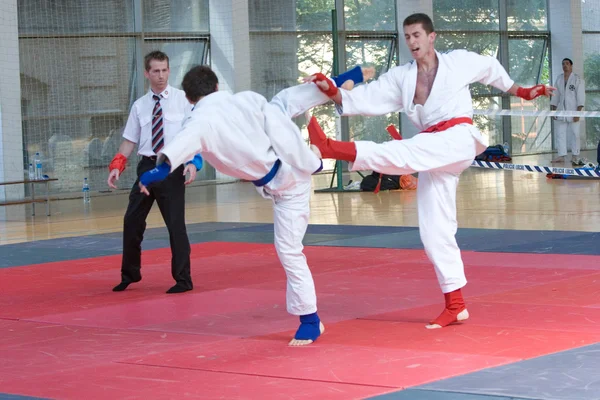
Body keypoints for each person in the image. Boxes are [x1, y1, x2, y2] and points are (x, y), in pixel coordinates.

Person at [306, 13, 555, 329]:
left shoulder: (457, 62)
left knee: (405, 153)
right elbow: (365, 98)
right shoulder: (402, 77)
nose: (411, 41)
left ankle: (329, 148)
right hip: (434, 150)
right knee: (433, 228)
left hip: (458, 138)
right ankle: (456, 304)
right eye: (407, 36)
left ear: (431, 36)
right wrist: (331, 90)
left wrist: (520, 91)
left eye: (416, 35)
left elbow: (490, 68)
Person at [137, 65, 372, 346]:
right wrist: (348, 79)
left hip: (290, 183)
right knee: (284, 102)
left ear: (188, 99)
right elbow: (203, 149)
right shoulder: (245, 99)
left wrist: (149, 175)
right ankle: (341, 89)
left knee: (289, 250)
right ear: (216, 87)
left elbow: (170, 160)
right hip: (282, 168)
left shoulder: (197, 123)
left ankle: (310, 320)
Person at [107, 50, 203, 294]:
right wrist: (117, 165)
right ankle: (130, 275)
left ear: (169, 71)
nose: (160, 76)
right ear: (147, 73)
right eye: (156, 71)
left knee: (175, 225)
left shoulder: (184, 100)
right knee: (131, 220)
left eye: (164, 70)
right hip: (147, 167)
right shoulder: (139, 106)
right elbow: (129, 141)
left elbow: (196, 134)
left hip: (173, 166)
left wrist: (194, 162)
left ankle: (183, 279)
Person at [550, 58, 586, 165]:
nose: (565, 66)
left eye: (567, 64)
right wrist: (553, 110)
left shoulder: (577, 79)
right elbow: (555, 95)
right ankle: (561, 155)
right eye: (563, 64)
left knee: (575, 134)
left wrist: (578, 113)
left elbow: (580, 96)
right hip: (561, 111)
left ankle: (575, 156)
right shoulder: (559, 79)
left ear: (571, 66)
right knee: (560, 133)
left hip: (573, 111)